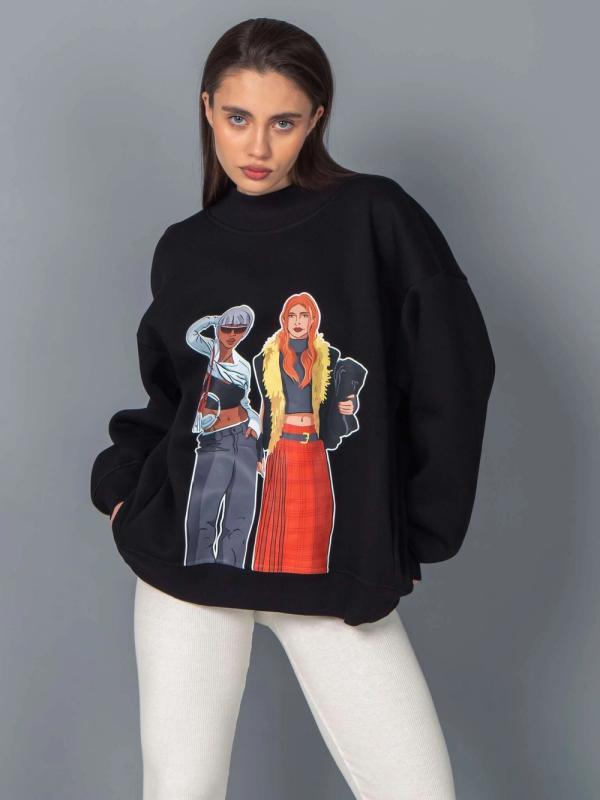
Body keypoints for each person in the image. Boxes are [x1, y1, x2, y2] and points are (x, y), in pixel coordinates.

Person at [90, 17, 495, 800]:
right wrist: (121, 490)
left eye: (283, 122)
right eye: (238, 117)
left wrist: (418, 531)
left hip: (333, 560)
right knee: (181, 790)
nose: (257, 146)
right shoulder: (185, 247)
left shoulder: (375, 216)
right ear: (208, 109)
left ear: (317, 119)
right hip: (190, 561)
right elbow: (172, 399)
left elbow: (456, 372)